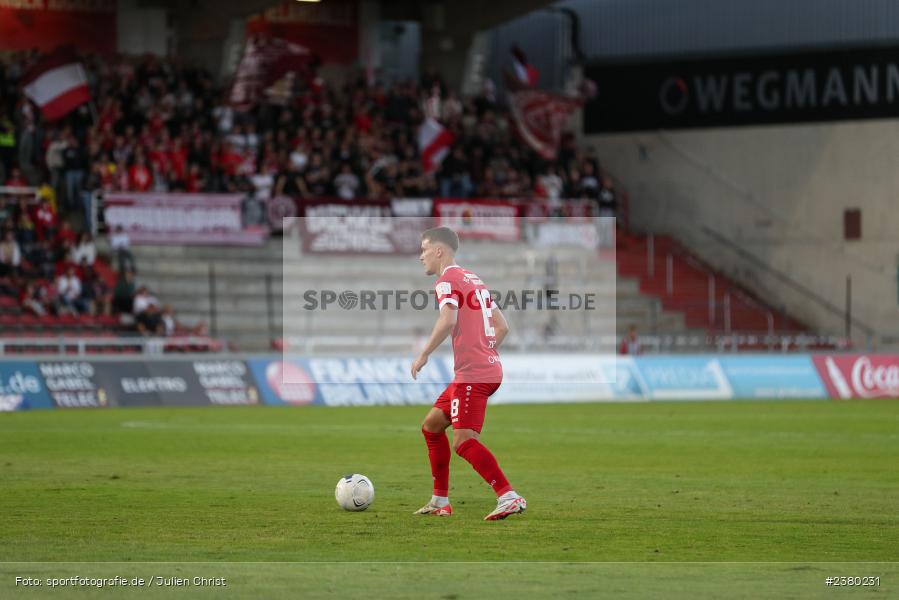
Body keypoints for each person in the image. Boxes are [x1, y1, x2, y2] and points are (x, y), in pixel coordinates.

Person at [410, 226, 526, 521]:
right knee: (432, 426)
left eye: (424, 250)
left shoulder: (447, 279)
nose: (421, 256)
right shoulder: (474, 279)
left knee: (463, 441)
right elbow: (502, 327)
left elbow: (448, 321)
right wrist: (484, 352)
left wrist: (424, 354)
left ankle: (508, 495)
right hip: (482, 369)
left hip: (474, 374)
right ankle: (439, 500)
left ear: (439, 250)